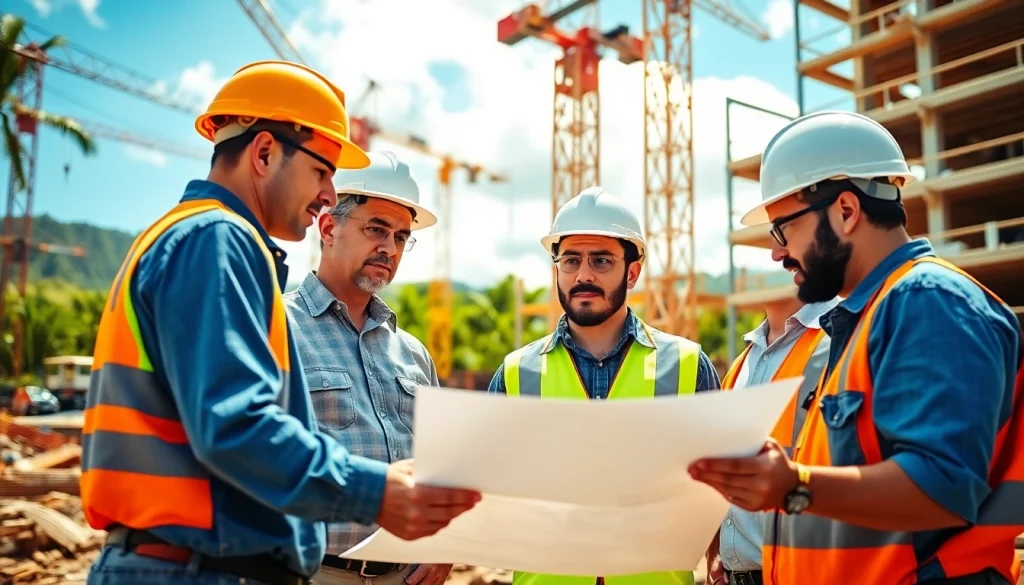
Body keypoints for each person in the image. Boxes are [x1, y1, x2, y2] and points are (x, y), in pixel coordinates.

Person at [81, 61, 480, 585]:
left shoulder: (192, 237)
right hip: (194, 568)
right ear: (265, 152)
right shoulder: (215, 239)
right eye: (321, 172)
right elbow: (235, 424)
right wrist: (377, 493)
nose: (327, 196)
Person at [688, 110, 1024, 585]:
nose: (777, 253)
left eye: (784, 229)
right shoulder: (860, 324)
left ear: (846, 211)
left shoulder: (928, 302)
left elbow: (944, 486)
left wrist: (794, 486)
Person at [488, 186, 721, 585]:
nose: (583, 275)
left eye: (601, 261)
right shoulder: (516, 373)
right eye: (571, 260)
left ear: (632, 272)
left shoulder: (687, 365)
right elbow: (484, 489)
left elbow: (720, 481)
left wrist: (720, 560)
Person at [284, 150, 452, 585]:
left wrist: (446, 544)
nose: (389, 247)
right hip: (312, 573)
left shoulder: (413, 353)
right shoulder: (276, 329)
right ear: (328, 227)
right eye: (376, 228)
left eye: (400, 237)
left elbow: (441, 466)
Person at [703, 294, 838, 585]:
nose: (775, 253)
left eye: (778, 244)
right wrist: (720, 549)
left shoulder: (845, 339)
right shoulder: (743, 362)